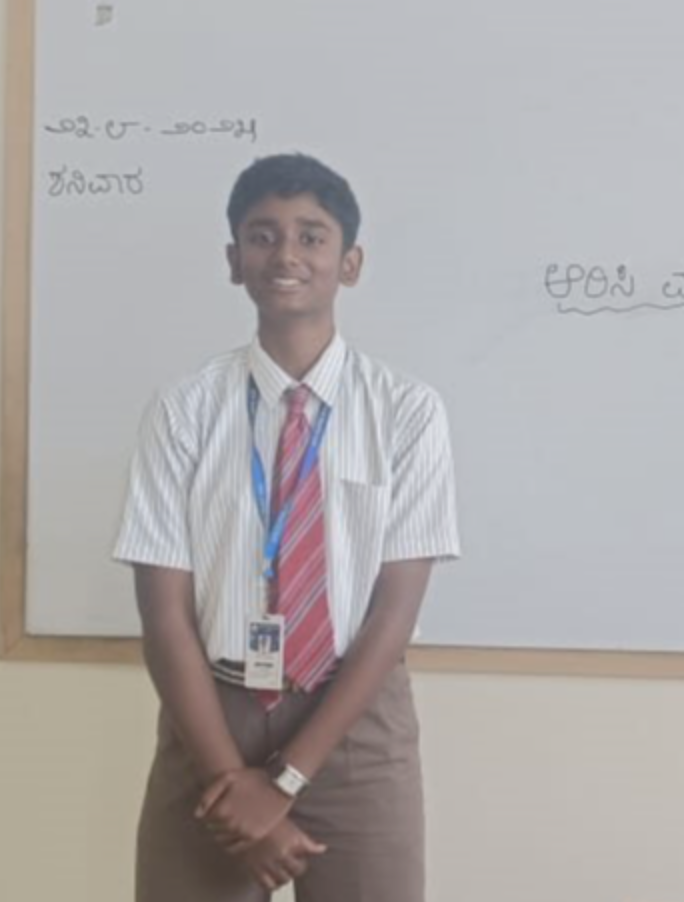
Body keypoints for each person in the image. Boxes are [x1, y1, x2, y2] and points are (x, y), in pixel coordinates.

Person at [113, 152, 460, 902]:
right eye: (263, 236)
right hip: (212, 717)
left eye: (311, 236)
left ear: (350, 263)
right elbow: (164, 615)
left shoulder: (407, 412)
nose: (286, 255)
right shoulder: (183, 410)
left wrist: (289, 778)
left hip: (354, 723)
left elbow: (394, 615)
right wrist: (230, 777)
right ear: (233, 260)